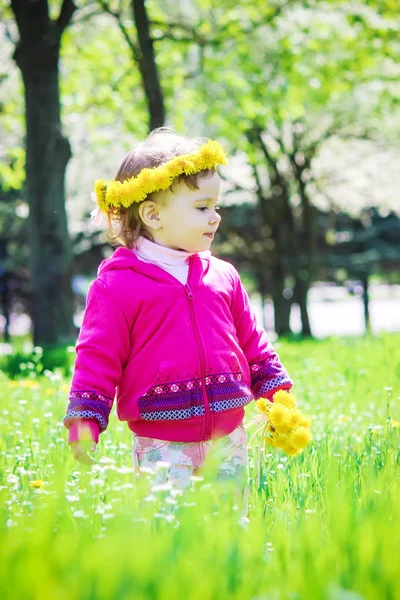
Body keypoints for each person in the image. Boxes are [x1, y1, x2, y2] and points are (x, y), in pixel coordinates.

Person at [63, 128, 293, 518]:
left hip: (228, 439)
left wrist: (277, 397)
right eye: (202, 207)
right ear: (153, 214)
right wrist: (85, 418)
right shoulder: (118, 285)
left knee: (227, 528)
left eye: (216, 206)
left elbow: (253, 343)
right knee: (171, 530)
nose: (216, 217)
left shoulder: (222, 276)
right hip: (161, 442)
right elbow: (97, 356)